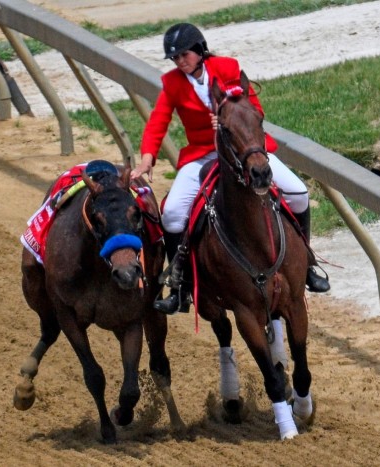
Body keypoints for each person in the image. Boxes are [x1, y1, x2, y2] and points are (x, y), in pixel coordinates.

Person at [131, 22, 330, 315]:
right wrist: (147, 156)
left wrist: (228, 117)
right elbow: (158, 120)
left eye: (184, 54)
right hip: (202, 154)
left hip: (243, 149)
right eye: (175, 58)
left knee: (299, 193)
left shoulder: (228, 67)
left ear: (199, 50)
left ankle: (308, 263)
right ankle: (180, 285)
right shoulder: (172, 83)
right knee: (172, 214)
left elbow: (255, 110)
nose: (180, 61)